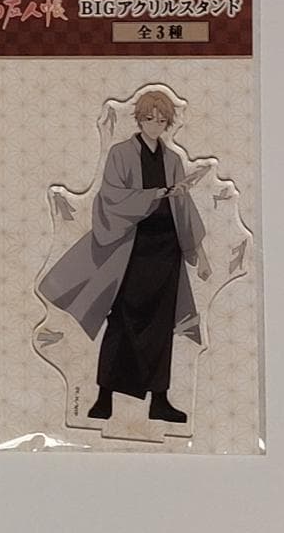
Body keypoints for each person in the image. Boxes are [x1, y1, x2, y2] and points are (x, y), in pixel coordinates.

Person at [38, 90, 211, 423]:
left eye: (162, 120)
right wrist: (157, 193)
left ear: (168, 123)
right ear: (139, 119)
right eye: (150, 118)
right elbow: (110, 199)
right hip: (131, 250)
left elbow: (185, 208)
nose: (155, 124)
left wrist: (199, 254)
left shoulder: (173, 160)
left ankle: (159, 400)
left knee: (161, 326)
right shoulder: (121, 154)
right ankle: (104, 398)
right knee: (121, 320)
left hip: (167, 252)